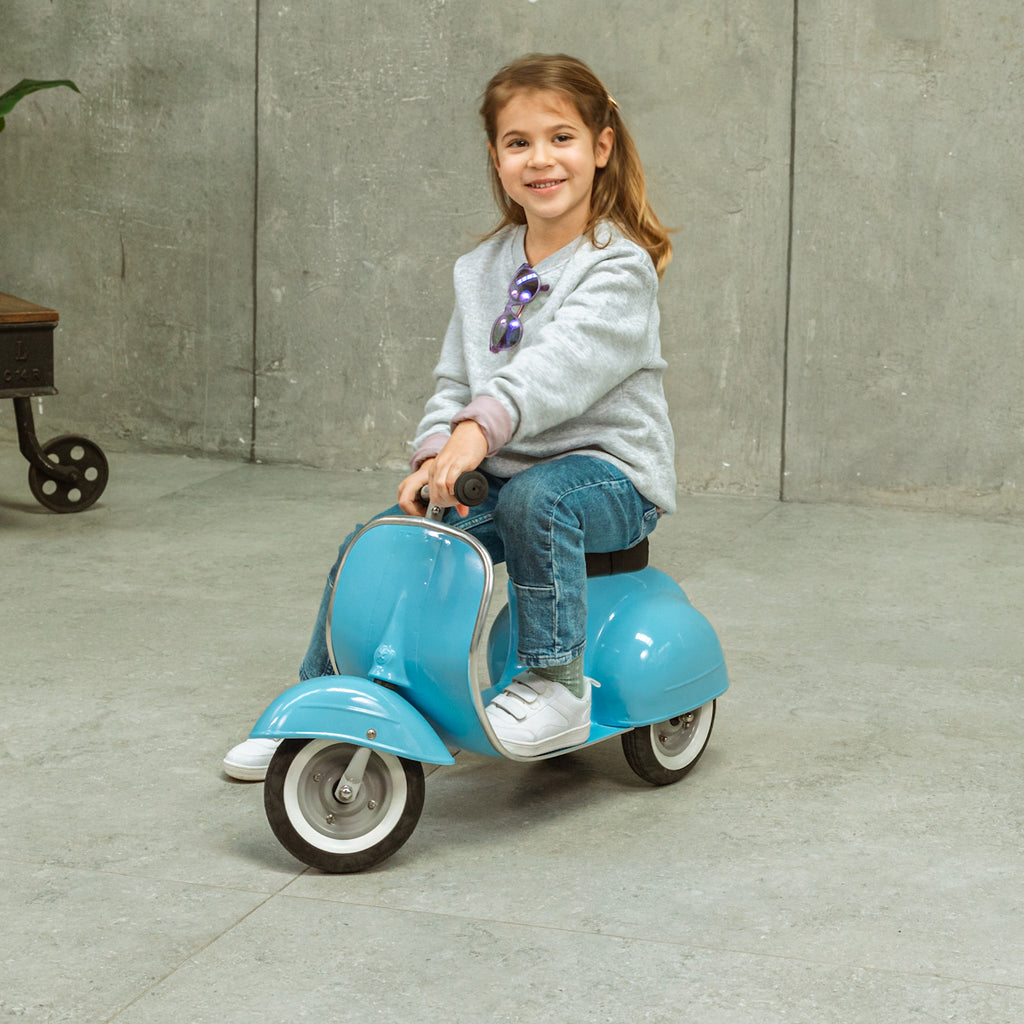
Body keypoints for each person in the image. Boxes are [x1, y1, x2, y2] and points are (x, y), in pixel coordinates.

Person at [223, 52, 675, 781]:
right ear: (495, 158)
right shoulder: (480, 269)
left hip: (608, 481)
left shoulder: (614, 268)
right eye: (517, 143)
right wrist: (438, 451)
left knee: (539, 497)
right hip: (496, 470)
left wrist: (477, 432)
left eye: (560, 138)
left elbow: (556, 370)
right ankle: (323, 702)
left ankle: (556, 683)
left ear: (601, 147)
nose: (540, 159)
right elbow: (455, 378)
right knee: (385, 540)